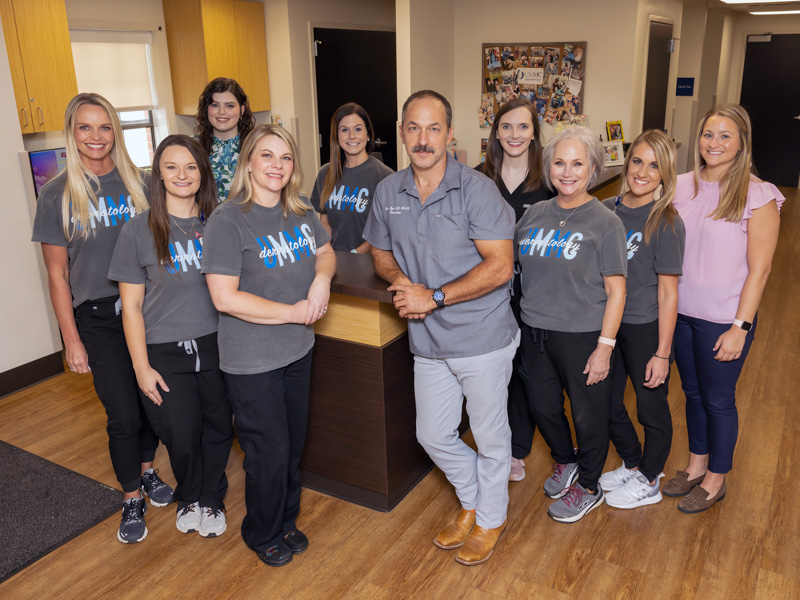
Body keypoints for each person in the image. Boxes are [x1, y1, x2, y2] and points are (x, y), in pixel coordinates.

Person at [363, 90, 518, 566]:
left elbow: (500, 266)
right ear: (402, 133)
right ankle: (474, 499)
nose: (423, 139)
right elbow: (379, 251)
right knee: (432, 435)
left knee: (491, 439)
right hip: (427, 341)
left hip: (482, 337)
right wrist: (399, 280)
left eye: (434, 129)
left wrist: (433, 296)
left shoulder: (477, 190)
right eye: (414, 127)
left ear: (450, 134)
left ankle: (489, 517)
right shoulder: (389, 191)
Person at [31, 93, 173, 544]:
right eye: (85, 128)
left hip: (150, 312)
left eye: (105, 127)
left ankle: (149, 471)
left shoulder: (140, 182)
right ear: (72, 134)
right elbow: (57, 275)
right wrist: (70, 339)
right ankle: (131, 496)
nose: (96, 137)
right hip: (98, 318)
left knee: (153, 403)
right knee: (122, 415)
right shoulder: (56, 194)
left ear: (116, 131)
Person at [202, 125, 336, 566]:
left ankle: (286, 520)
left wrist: (321, 278)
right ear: (248, 162)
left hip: (297, 351)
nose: (277, 165)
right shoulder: (228, 219)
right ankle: (261, 532)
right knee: (268, 450)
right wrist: (294, 311)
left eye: (285, 157)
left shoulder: (299, 210)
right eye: (267, 156)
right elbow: (225, 297)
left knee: (293, 445)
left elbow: (326, 250)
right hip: (252, 360)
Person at [108, 135, 234, 537]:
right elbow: (130, 308)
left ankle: (212, 499)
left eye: (191, 167)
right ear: (158, 175)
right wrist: (141, 367)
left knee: (218, 427)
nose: (182, 175)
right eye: (172, 167)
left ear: (203, 173)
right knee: (180, 432)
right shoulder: (137, 231)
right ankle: (191, 494)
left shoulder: (221, 222)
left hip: (218, 343)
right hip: (165, 350)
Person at [664, 104, 783, 513]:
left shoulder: (758, 194)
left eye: (725, 135)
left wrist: (741, 327)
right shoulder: (680, 185)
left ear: (741, 143)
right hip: (681, 313)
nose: (714, 143)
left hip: (724, 318)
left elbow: (761, 270)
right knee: (692, 394)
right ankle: (696, 464)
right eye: (708, 134)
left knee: (717, 398)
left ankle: (716, 478)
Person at [515, 126, 627, 523]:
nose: (567, 171)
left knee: (587, 415)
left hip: (582, 335)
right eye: (559, 162)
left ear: (593, 168)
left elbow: (617, 292)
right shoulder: (533, 216)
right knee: (543, 408)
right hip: (534, 332)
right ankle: (566, 461)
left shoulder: (605, 222)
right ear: (548, 168)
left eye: (577, 163)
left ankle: (590, 485)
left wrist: (605, 347)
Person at [598, 130, 685, 509]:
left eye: (655, 165)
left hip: (644, 326)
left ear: (665, 174)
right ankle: (633, 461)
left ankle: (650, 477)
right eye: (638, 161)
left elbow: (668, 293)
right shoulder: (606, 210)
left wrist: (662, 353)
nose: (643, 171)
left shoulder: (666, 221)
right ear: (627, 162)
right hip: (606, 325)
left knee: (650, 406)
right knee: (604, 401)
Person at [478, 98, 550, 483]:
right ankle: (494, 444)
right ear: (495, 132)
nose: (514, 135)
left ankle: (517, 448)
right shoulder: (478, 179)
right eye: (506, 127)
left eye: (523, 127)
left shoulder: (551, 183)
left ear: (535, 132)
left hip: (534, 294)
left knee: (525, 372)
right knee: (492, 373)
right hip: (487, 294)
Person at [310, 103, 394, 253]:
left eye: (358, 129)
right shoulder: (326, 173)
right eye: (344, 130)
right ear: (336, 135)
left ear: (368, 134)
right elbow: (325, 223)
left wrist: (353, 255)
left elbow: (385, 232)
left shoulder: (385, 177)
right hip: (334, 259)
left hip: (368, 261)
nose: (352, 136)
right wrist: (324, 254)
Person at [194, 77, 256, 201]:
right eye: (215, 105)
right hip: (206, 219)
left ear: (241, 110)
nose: (221, 112)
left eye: (230, 106)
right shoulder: (193, 148)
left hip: (247, 218)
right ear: (207, 109)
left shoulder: (256, 146)